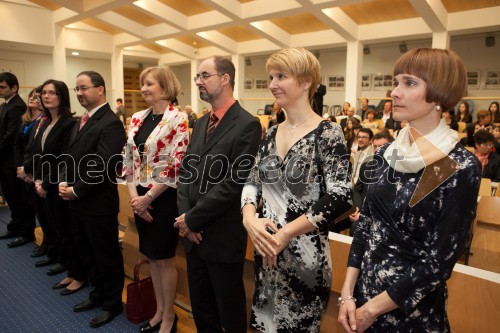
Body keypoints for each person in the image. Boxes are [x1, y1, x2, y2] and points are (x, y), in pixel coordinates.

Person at [338, 48, 481, 333]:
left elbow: (438, 262)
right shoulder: (387, 152)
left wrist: (371, 310)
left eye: (409, 83)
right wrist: (347, 293)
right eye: (396, 81)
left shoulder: (456, 165)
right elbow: (366, 225)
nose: (394, 92)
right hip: (361, 302)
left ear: (439, 95)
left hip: (410, 315)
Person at [241, 48, 352, 332]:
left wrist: (286, 233)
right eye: (271, 77)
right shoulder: (270, 134)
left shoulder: (327, 133)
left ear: (305, 82)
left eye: (281, 76)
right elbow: (252, 181)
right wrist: (249, 219)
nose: (272, 84)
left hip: (305, 260)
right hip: (267, 254)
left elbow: (340, 197)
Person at [174, 56, 261, 333]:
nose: (198, 81)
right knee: (202, 309)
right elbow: (186, 174)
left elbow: (234, 183)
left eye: (204, 75)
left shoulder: (247, 124)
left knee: (229, 311)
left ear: (225, 79)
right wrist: (187, 220)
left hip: (221, 235)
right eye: (198, 76)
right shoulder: (200, 123)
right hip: (194, 236)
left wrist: (193, 220)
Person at [122, 66, 189, 333]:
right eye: (142, 84)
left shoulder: (178, 118)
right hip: (139, 197)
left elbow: (175, 164)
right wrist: (135, 198)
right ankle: (159, 310)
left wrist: (148, 197)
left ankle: (170, 316)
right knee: (152, 257)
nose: (144, 89)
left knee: (164, 259)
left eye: (149, 84)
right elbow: (128, 160)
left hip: (163, 197)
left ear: (165, 86)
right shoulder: (137, 117)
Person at [59, 71, 126, 328]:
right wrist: (65, 182)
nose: (78, 93)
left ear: (100, 90)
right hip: (77, 201)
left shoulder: (110, 121)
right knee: (87, 252)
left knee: (106, 256)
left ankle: (112, 304)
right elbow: (70, 155)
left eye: (83, 88)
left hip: (98, 203)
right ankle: (97, 293)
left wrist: (76, 190)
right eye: (76, 89)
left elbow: (103, 164)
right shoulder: (82, 120)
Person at [33, 80, 86, 290]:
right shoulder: (46, 122)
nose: (46, 97)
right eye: (44, 93)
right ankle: (67, 265)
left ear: (62, 96)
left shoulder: (69, 123)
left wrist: (46, 183)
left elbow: (64, 159)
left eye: (51, 93)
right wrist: (38, 179)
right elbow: (40, 154)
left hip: (59, 184)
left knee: (67, 230)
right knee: (55, 227)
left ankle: (77, 272)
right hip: (44, 182)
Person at [0, 72, 36, 247]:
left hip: (11, 161)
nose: (0, 90)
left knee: (18, 199)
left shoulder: (16, 106)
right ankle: (15, 227)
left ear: (14, 88)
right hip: (5, 160)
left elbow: (10, 136)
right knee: (11, 197)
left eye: (3, 87)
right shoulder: (6, 105)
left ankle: (24, 231)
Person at [15, 87, 49, 257]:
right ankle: (46, 243)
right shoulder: (32, 121)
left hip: (41, 173)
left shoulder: (47, 120)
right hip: (30, 169)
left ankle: (50, 245)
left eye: (39, 96)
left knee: (48, 216)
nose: (36, 99)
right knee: (35, 208)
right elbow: (26, 148)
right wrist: (23, 168)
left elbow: (46, 153)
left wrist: (29, 170)